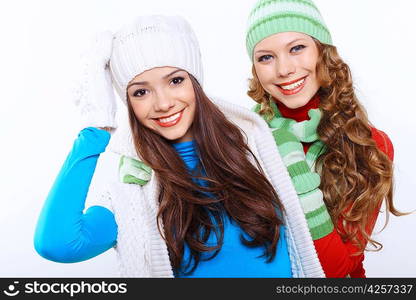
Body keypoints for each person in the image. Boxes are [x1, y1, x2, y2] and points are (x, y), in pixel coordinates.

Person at [34, 15, 325, 277]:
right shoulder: (133, 192)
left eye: (175, 80)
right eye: (141, 91)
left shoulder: (260, 149)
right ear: (128, 104)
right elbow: (58, 244)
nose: (163, 103)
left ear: (195, 83)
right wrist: (96, 129)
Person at [245, 0, 403, 277]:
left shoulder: (371, 146)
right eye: (266, 57)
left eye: (296, 48)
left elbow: (335, 271)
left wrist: (297, 172)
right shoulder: (242, 137)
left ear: (323, 52)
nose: (284, 69)